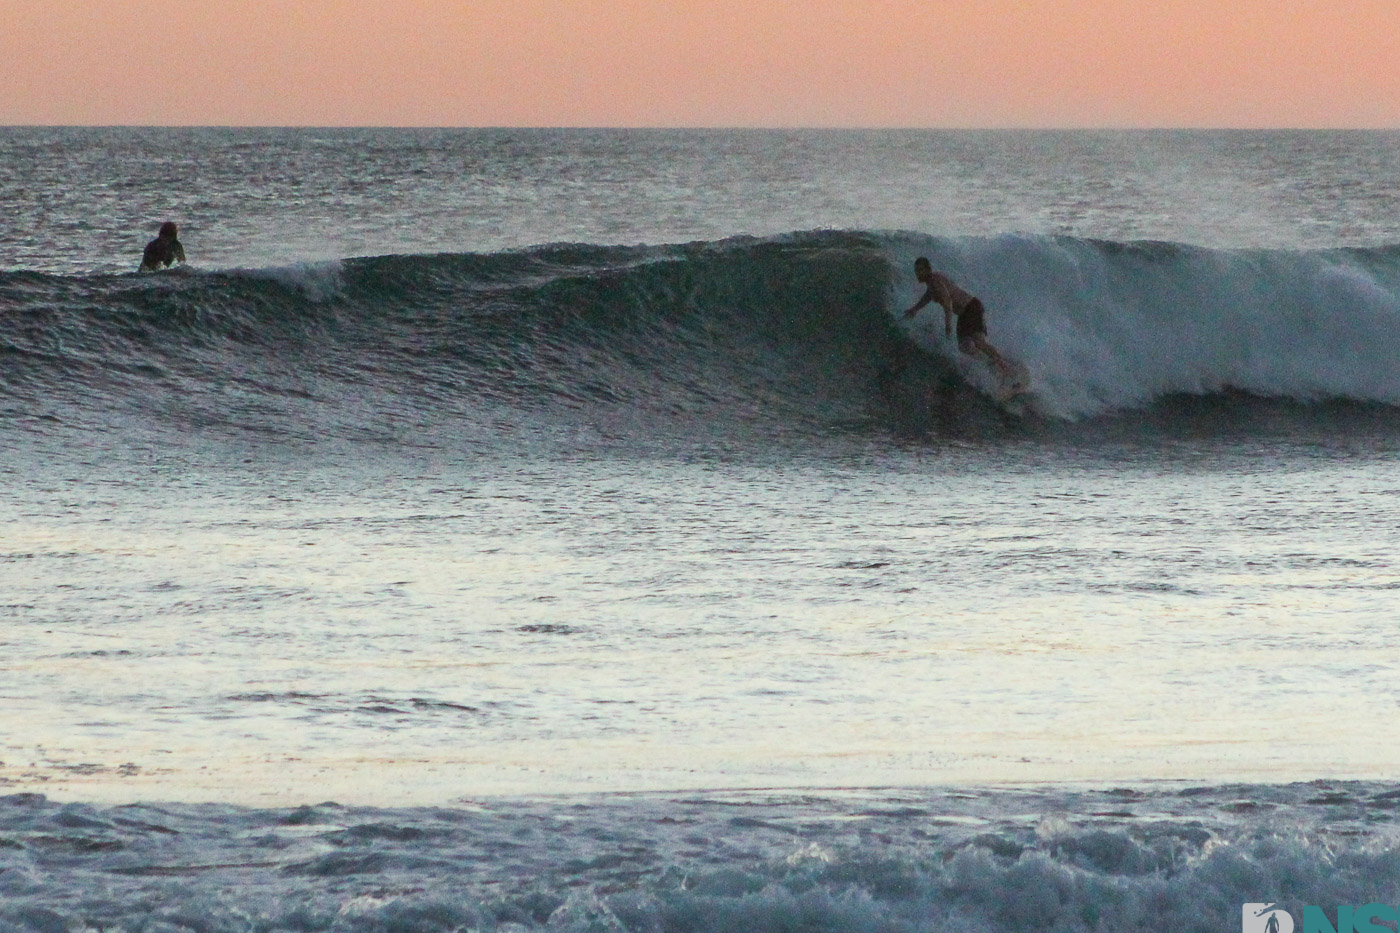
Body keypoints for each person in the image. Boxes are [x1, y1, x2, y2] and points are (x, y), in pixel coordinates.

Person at [902, 257, 1010, 375]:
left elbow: (948, 303)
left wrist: (948, 326)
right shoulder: (931, 283)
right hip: (964, 315)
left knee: (979, 342)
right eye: (916, 270)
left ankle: (1005, 367)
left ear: (928, 270)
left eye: (920, 270)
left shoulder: (935, 281)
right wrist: (914, 309)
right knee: (964, 347)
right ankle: (992, 364)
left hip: (972, 308)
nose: (917, 273)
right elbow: (928, 296)